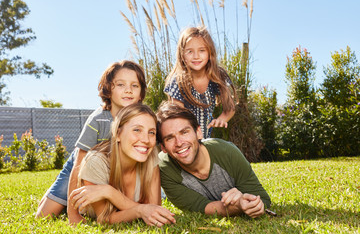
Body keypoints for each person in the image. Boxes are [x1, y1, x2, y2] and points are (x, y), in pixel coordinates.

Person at [36, 60, 147, 224]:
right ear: (109, 89)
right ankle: (59, 198)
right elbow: (78, 164)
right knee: (44, 216)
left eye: (135, 86)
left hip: (108, 168)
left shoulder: (142, 119)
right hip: (79, 165)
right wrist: (73, 215)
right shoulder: (98, 119)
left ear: (141, 93)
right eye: (121, 85)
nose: (128, 90)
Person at [156, 101, 271, 218]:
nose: (179, 143)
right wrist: (237, 207)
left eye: (184, 132)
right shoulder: (164, 167)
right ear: (163, 147)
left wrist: (250, 203)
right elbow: (200, 207)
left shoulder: (228, 153)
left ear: (198, 132)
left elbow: (263, 199)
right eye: (169, 138)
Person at [70, 103, 176, 226]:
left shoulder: (150, 157)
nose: (146, 140)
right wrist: (140, 210)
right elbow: (104, 219)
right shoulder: (96, 162)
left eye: (151, 132)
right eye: (137, 130)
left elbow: (154, 210)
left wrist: (110, 192)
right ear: (118, 134)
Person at [164, 26, 237, 138]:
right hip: (184, 139)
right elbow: (178, 117)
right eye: (190, 51)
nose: (196, 56)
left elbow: (230, 108)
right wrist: (194, 135)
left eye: (202, 50)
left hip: (206, 139)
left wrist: (221, 119)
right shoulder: (178, 81)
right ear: (182, 54)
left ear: (209, 53)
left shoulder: (217, 76)